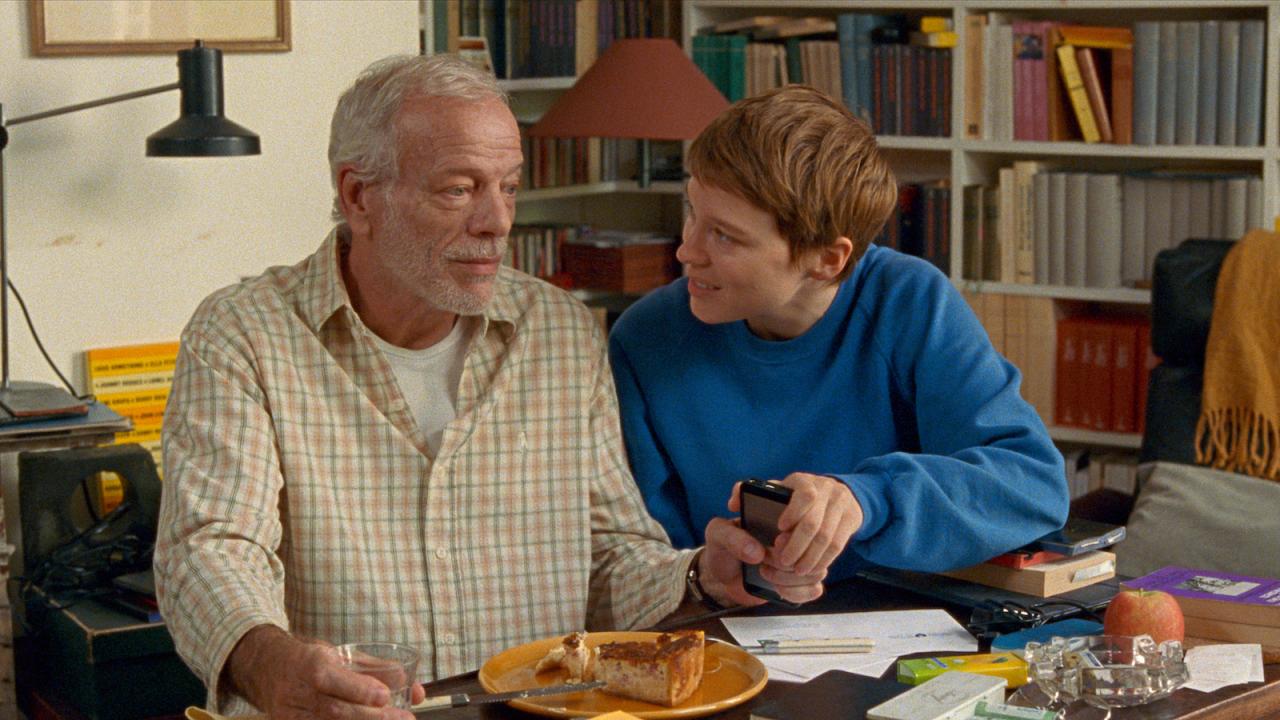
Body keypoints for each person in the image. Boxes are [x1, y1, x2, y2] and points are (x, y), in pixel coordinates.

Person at [155, 55, 822, 720]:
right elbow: (210, 548)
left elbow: (612, 556)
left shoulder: (559, 330)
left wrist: (704, 571)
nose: (497, 221)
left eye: (507, 186)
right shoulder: (241, 335)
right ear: (359, 196)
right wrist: (268, 660)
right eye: (458, 189)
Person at [608, 85, 1069, 590]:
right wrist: (711, 571)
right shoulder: (644, 339)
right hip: (726, 632)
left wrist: (863, 499)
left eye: (725, 235)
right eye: (691, 211)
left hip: (903, 625)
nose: (686, 251)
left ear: (828, 259)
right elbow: (643, 555)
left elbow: (1033, 487)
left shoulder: (909, 302)